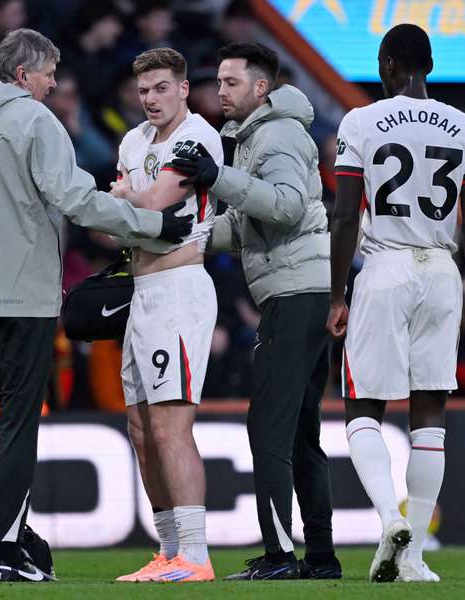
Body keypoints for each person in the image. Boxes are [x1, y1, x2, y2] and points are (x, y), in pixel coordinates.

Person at [0, 28, 193, 583]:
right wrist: (154, 224)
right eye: (48, 73)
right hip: (19, 294)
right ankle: (10, 554)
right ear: (21, 75)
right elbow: (78, 201)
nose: (54, 84)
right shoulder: (36, 122)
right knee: (17, 420)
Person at [327, 24, 465, 583]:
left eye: (381, 63)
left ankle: (386, 518)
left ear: (391, 63)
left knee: (362, 408)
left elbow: (346, 215)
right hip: (445, 277)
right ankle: (415, 556)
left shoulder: (362, 121)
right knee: (430, 418)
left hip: (386, 270)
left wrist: (336, 294)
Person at [171, 42, 340, 580]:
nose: (219, 91)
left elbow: (286, 208)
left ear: (261, 88)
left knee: (267, 425)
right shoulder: (254, 138)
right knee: (298, 431)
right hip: (303, 291)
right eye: (218, 82)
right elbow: (250, 226)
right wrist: (186, 233)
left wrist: (217, 180)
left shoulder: (278, 135)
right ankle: (320, 557)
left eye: (230, 82)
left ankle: (279, 556)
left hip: (294, 296)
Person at [107, 47, 223, 584]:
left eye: (160, 88)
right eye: (143, 90)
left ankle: (197, 556)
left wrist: (128, 198)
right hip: (141, 289)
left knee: (171, 425)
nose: (150, 99)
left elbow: (149, 203)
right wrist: (129, 202)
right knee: (139, 427)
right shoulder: (134, 141)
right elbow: (115, 223)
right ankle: (169, 550)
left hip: (180, 289)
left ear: (182, 88)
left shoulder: (197, 137)